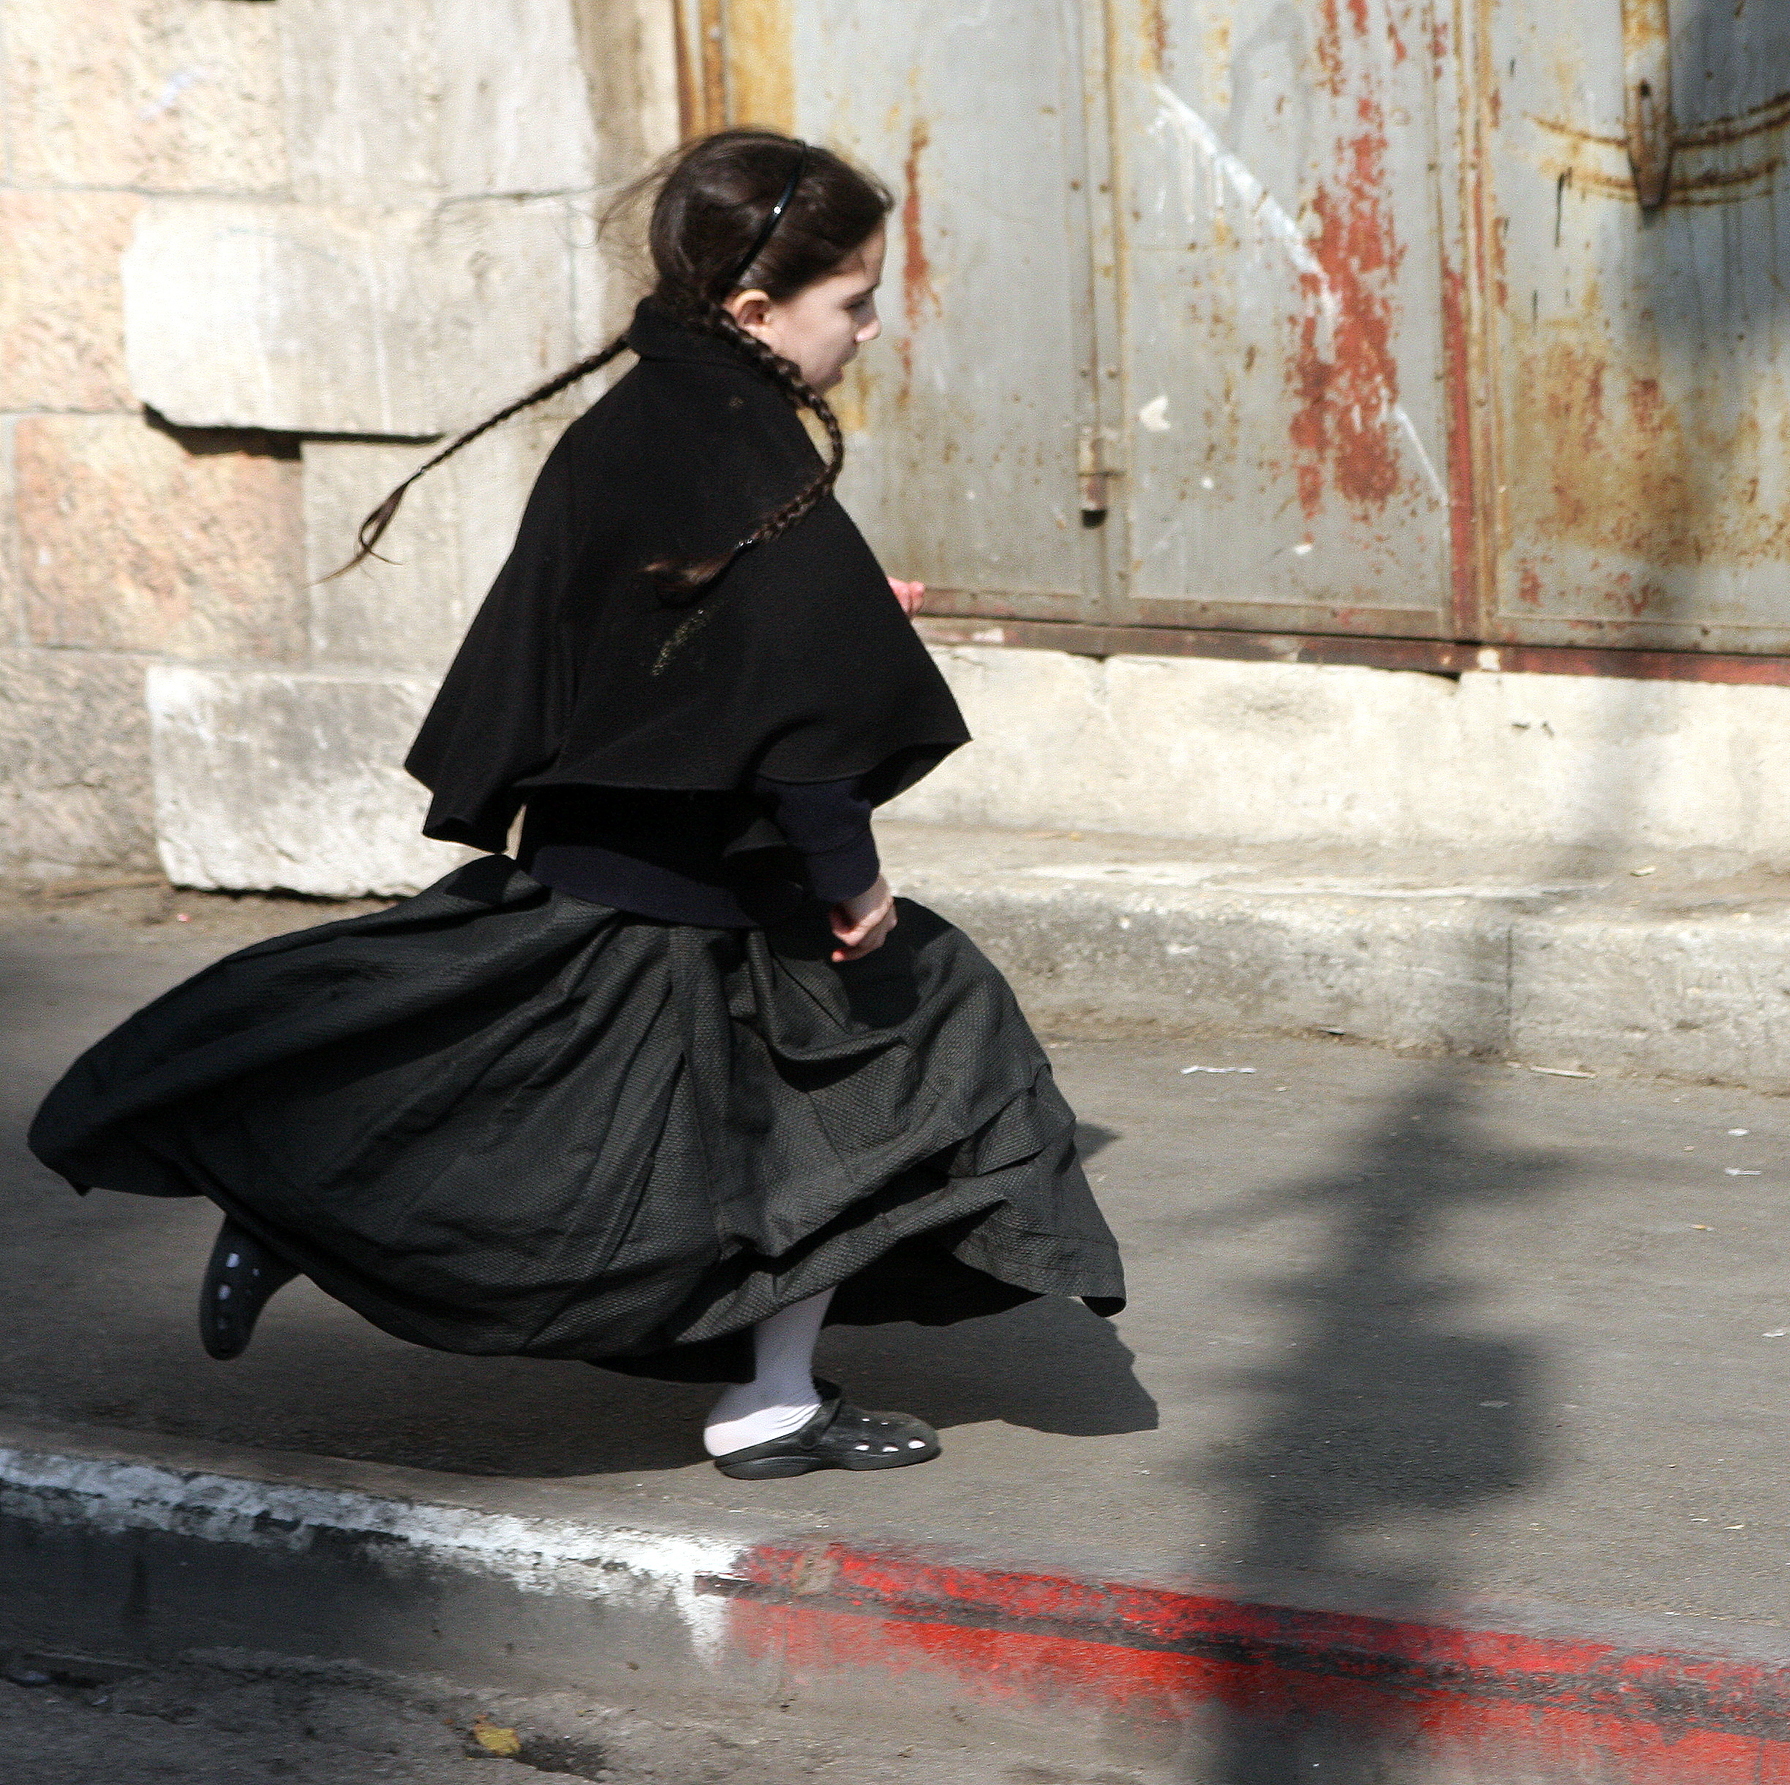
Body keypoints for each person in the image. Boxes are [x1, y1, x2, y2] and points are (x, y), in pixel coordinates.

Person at [27, 129, 1126, 1482]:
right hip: (696, 896)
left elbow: (681, 629)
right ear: (754, 309)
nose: (872, 327)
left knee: (669, 1124)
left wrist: (843, 616)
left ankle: (758, 1395)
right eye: (854, 299)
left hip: (630, 869)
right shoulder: (736, 443)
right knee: (918, 1051)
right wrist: (856, 882)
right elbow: (787, 718)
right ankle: (728, 1385)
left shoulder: (657, 410)